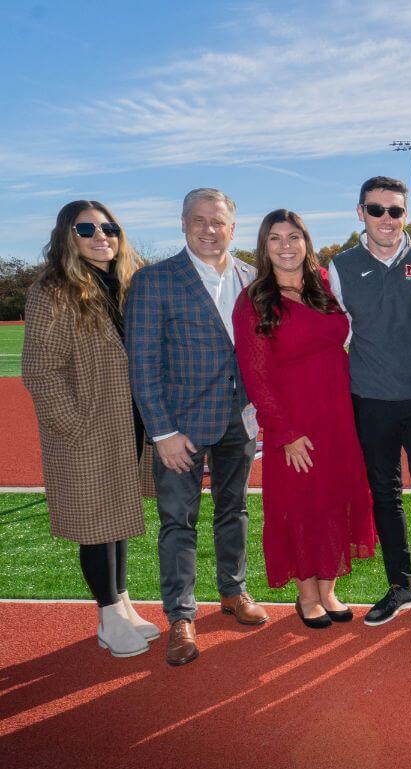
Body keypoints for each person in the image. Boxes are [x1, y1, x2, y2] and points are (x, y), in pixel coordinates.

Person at [126, 188, 267, 667]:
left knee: (234, 511)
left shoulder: (253, 277)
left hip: (239, 420)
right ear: (183, 224)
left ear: (233, 227)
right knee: (178, 522)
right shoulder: (154, 280)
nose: (209, 229)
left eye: (218, 221)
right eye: (199, 220)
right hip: (180, 427)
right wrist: (162, 433)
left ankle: (233, 590)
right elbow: (142, 364)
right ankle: (181, 616)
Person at [22, 200, 156, 658]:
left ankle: (122, 603)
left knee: (117, 516)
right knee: (95, 523)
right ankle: (108, 617)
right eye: (87, 229)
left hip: (129, 421)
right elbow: (41, 370)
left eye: (109, 227)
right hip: (87, 427)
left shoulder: (128, 284)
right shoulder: (53, 291)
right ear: (68, 237)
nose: (102, 236)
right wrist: (73, 426)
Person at [233, 210, 375, 629]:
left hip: (339, 415)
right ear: (264, 247)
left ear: (306, 242)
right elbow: (255, 375)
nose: (286, 246)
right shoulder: (254, 300)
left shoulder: (326, 286)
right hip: (294, 422)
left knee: (334, 498)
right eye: (275, 238)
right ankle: (307, 595)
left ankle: (328, 590)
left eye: (294, 237)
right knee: (300, 505)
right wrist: (286, 432)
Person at [328, 177, 411, 626]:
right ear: (360, 212)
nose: (386, 219)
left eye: (395, 210)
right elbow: (335, 332)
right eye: (376, 209)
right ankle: (401, 585)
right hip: (371, 400)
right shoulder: (341, 266)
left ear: (406, 214)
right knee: (385, 496)